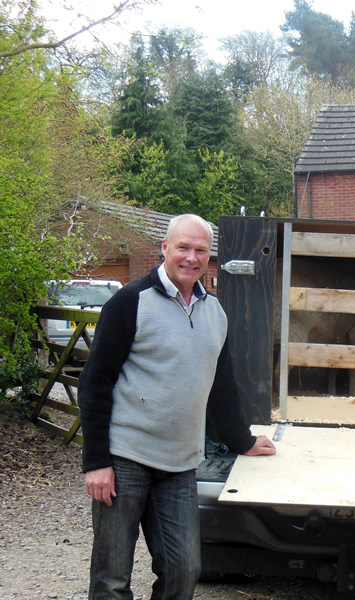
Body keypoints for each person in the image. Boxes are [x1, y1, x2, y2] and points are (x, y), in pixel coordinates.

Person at [78, 214, 277, 599]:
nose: (191, 257)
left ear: (210, 257)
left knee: (183, 570)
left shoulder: (214, 312)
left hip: (181, 465)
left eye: (200, 250)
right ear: (164, 248)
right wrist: (96, 461)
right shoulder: (130, 302)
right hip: (125, 459)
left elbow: (220, 387)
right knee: (112, 578)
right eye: (183, 247)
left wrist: (241, 440)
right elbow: (95, 382)